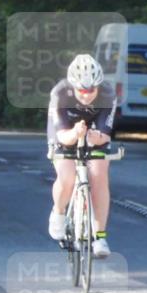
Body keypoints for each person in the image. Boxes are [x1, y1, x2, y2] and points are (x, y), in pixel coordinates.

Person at [47, 54, 117, 258]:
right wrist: (75, 134)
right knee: (67, 176)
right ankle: (59, 213)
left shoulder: (108, 93)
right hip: (65, 131)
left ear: (98, 86)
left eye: (91, 90)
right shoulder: (60, 93)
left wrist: (96, 137)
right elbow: (61, 134)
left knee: (99, 174)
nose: (86, 95)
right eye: (81, 90)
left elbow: (105, 132)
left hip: (94, 131)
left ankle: (100, 236)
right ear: (73, 86)